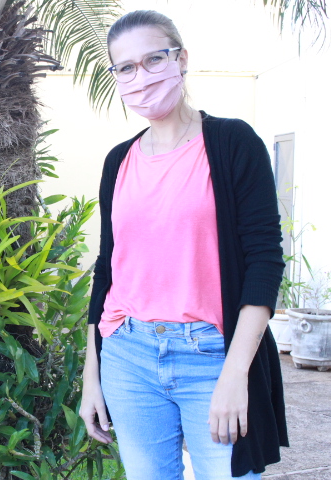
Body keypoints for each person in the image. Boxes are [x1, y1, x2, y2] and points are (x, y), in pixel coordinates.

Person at [79, 10, 288, 480]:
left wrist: (235, 374)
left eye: (154, 59)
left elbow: (264, 260)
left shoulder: (233, 143)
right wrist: (92, 375)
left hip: (212, 356)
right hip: (128, 356)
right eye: (126, 68)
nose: (141, 77)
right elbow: (108, 270)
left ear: (182, 59)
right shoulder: (118, 161)